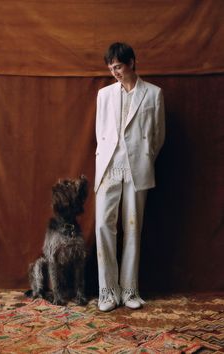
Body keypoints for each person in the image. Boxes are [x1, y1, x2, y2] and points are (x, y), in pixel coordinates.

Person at [94, 42, 165, 312]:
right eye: (111, 68)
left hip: (137, 167)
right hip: (109, 169)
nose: (115, 72)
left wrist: (142, 156)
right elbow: (100, 133)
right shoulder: (104, 95)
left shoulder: (153, 94)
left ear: (132, 62)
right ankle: (107, 292)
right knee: (103, 225)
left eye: (119, 66)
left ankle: (130, 291)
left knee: (133, 229)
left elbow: (158, 136)